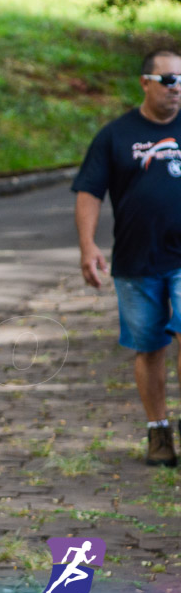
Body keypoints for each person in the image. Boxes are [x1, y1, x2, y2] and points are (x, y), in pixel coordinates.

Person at [74, 49, 181, 468]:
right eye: (170, 80)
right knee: (149, 348)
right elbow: (89, 192)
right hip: (137, 260)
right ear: (146, 82)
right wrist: (88, 246)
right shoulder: (115, 135)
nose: (177, 90)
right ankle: (158, 432)